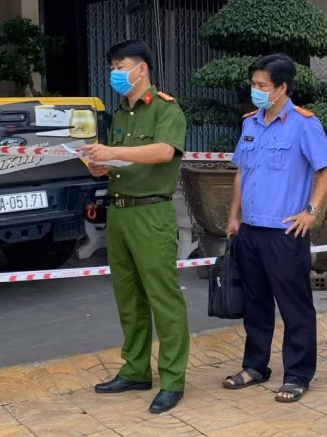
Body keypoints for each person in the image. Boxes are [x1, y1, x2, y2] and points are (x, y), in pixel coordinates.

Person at [222, 53, 327, 403]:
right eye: (253, 84)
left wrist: (311, 212)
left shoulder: (303, 123)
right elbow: (241, 171)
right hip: (250, 230)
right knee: (255, 303)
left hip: (285, 232)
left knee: (294, 306)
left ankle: (298, 374)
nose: (255, 90)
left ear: (282, 87)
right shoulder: (250, 123)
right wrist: (233, 216)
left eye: (262, 85)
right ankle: (255, 366)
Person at [81, 40, 189, 413]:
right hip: (120, 212)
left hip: (151, 213)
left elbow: (163, 151)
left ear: (140, 69)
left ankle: (172, 380)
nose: (114, 72)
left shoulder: (165, 108)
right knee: (129, 298)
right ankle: (136, 370)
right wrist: (102, 165)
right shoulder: (120, 114)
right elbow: (124, 161)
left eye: (119, 65)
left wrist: (113, 152)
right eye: (111, 66)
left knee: (163, 297)